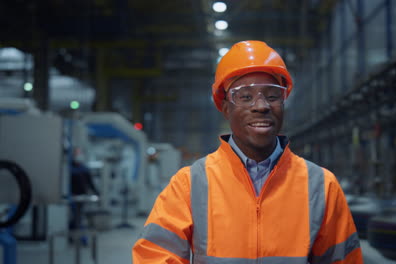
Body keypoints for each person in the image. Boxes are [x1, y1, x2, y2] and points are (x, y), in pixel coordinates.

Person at [132, 40, 363, 263]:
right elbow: (154, 256)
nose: (261, 106)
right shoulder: (191, 184)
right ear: (225, 108)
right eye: (245, 96)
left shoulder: (321, 186)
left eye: (272, 96)